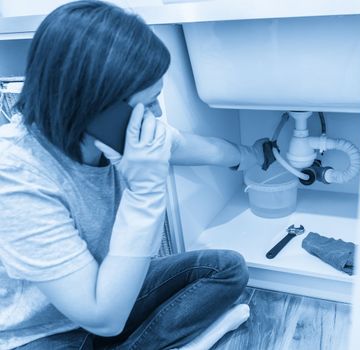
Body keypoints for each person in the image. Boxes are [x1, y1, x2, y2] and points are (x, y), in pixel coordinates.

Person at [0, 1, 270, 349]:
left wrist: (249, 156)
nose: (158, 113)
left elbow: (195, 146)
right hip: (42, 331)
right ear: (100, 108)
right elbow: (103, 318)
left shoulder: (111, 134)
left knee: (226, 269)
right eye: (151, 101)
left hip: (107, 287)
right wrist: (145, 192)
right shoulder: (16, 174)